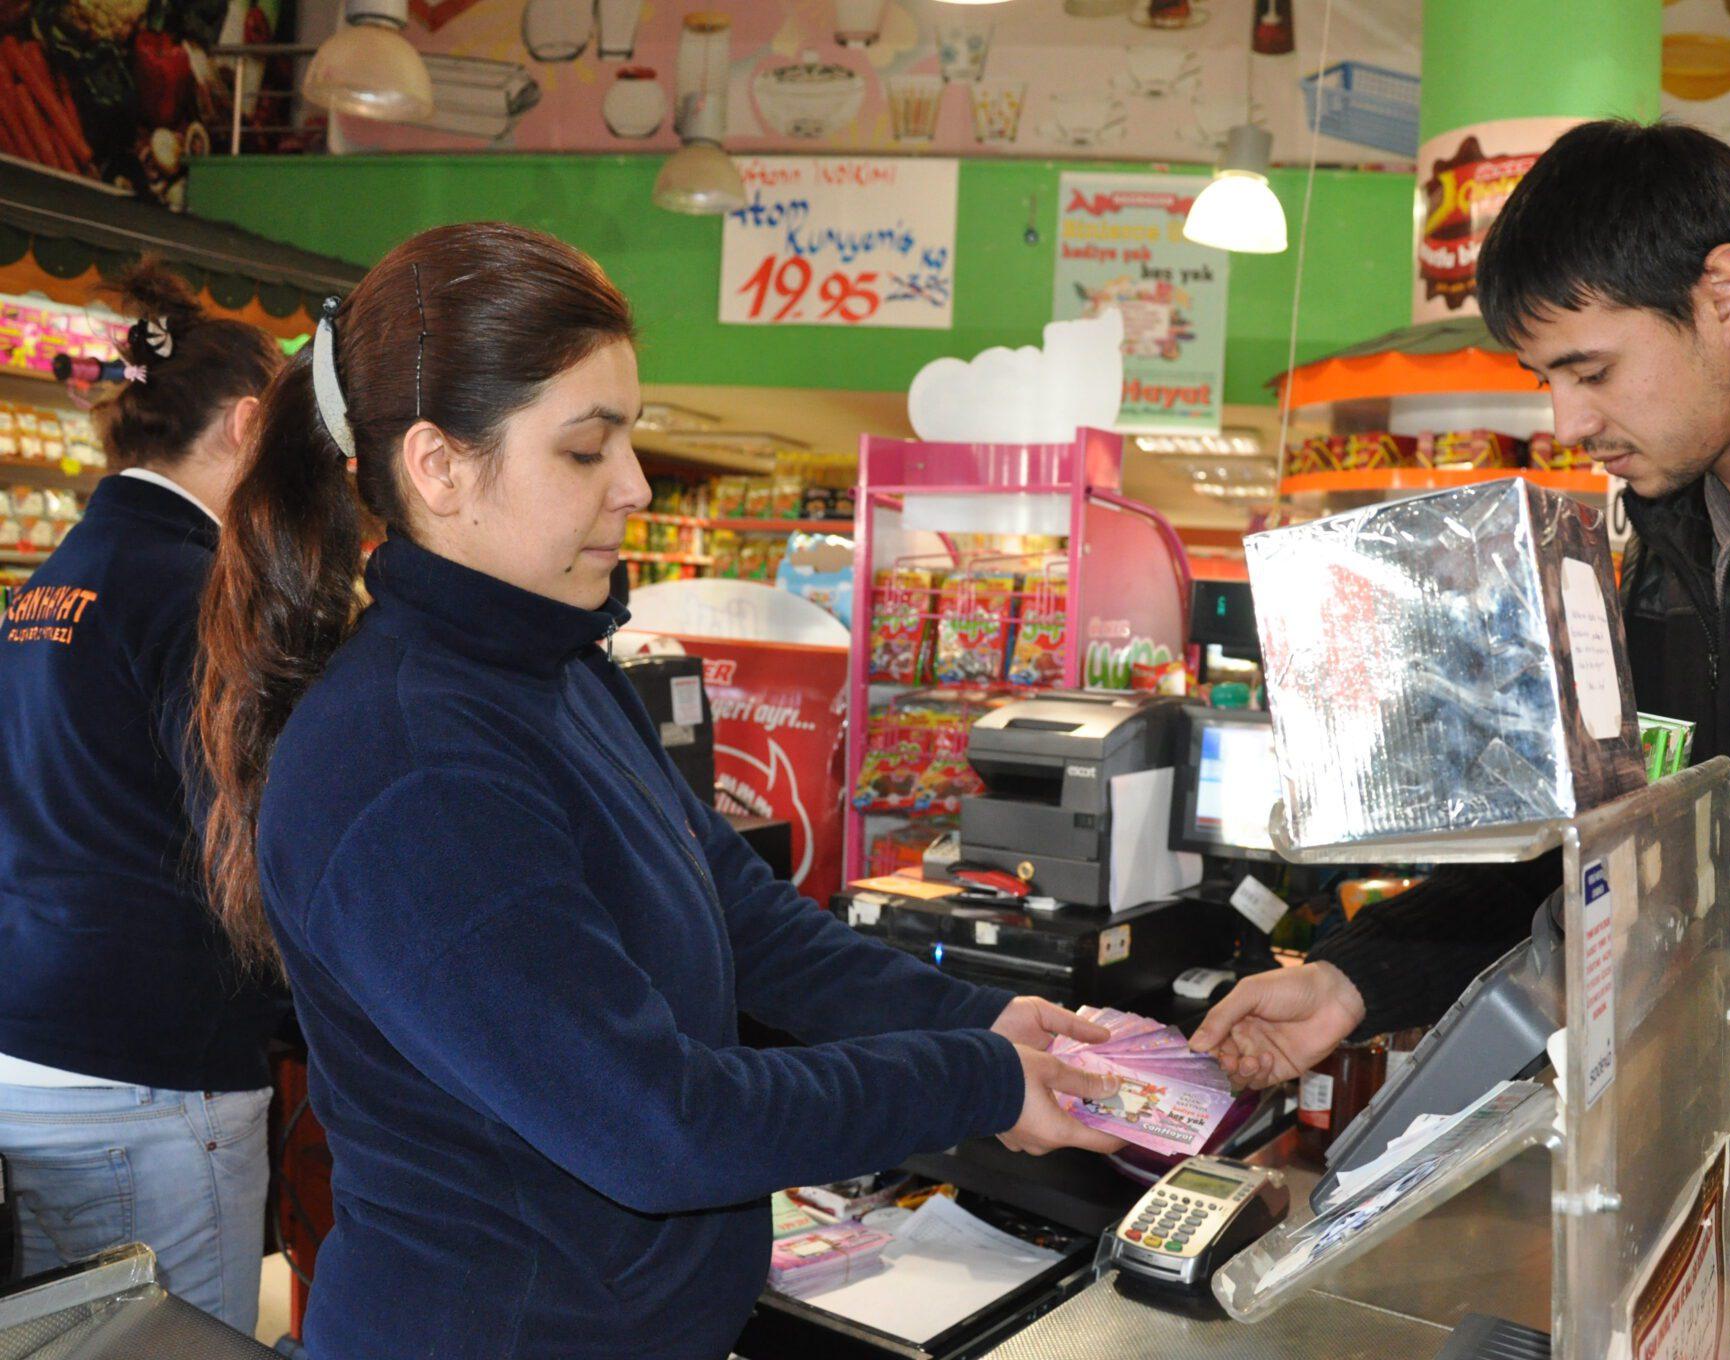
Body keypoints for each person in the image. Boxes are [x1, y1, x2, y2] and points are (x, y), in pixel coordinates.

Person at [1192, 120, 1730, 1360]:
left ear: (1719, 294)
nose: (1563, 416)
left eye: (1589, 368)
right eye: (1543, 375)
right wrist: (1354, 978)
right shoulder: (1660, 556)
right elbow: (1594, 851)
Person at [192, 222, 1124, 1360]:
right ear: (437, 465)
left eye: (628, 439)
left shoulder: (555, 668)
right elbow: (655, 1121)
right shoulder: (410, 762)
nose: (632, 485)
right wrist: (970, 1077)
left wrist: (977, 1016)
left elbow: (747, 917)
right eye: (585, 450)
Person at [0, 263, 284, 1328]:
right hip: (150, 1074)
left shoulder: (56, 576)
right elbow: (255, 829)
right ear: (251, 425)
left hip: (36, 1048)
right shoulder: (198, 587)